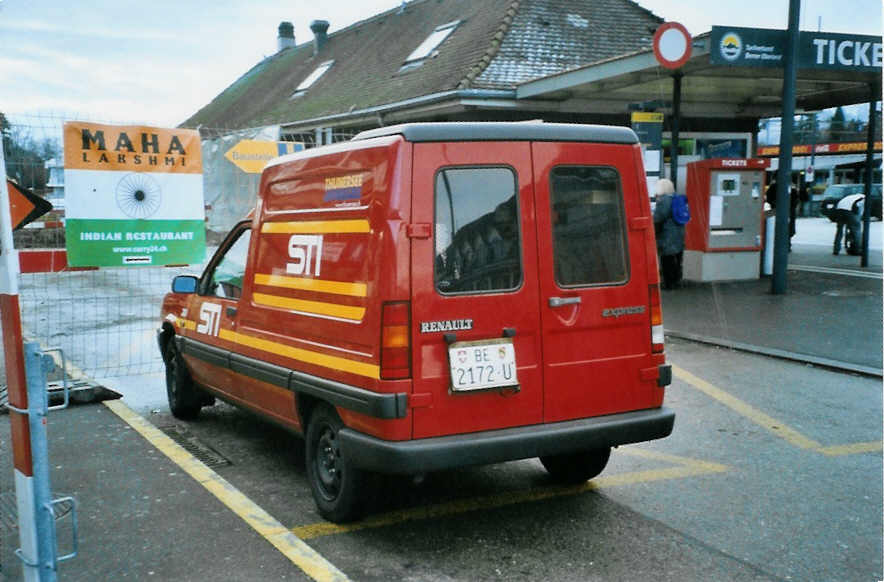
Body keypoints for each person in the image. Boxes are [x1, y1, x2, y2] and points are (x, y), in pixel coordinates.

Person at [652, 178, 686, 289]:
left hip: (667, 235)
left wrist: (653, 232)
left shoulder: (664, 200)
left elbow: (658, 218)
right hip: (678, 234)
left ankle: (668, 284)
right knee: (677, 259)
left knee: (667, 260)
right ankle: (676, 281)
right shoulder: (676, 197)